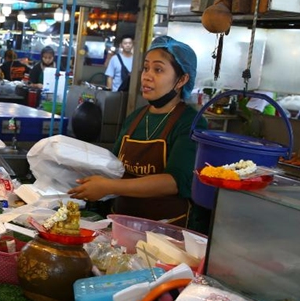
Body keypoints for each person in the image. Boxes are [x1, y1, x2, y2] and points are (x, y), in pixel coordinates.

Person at [68, 36, 210, 233]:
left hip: (165, 234)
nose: (147, 76)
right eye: (146, 68)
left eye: (158, 70)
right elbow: (113, 168)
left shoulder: (190, 123)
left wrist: (110, 186)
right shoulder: (135, 118)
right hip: (121, 226)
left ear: (182, 79)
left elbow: (174, 181)